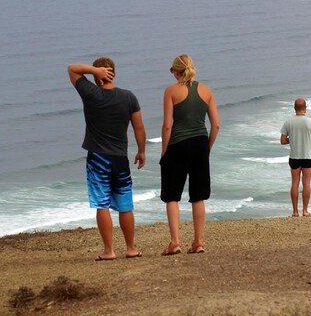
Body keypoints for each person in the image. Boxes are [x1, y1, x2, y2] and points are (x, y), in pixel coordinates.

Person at [68, 57, 146, 261]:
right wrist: (141, 151)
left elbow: (72, 69)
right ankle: (130, 248)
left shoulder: (91, 93)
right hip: (120, 157)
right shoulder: (128, 97)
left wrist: (94, 70)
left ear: (96, 75)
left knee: (102, 204)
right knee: (125, 203)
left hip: (97, 157)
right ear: (115, 73)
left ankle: (109, 251)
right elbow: (138, 127)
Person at [160, 54, 220, 255]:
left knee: (171, 196)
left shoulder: (171, 91)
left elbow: (168, 125)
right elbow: (216, 125)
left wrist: (164, 151)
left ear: (176, 71)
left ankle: (175, 242)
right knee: (198, 195)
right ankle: (198, 242)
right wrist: (207, 147)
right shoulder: (206, 90)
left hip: (178, 144)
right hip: (201, 143)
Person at [280, 98, 311, 217]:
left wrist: (293, 138)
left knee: (295, 183)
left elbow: (283, 140)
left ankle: (295, 212)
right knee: (306, 183)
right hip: (308, 156)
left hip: (294, 156)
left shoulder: (288, 122)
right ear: (305, 108)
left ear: (294, 108)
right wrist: (310, 139)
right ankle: (305, 211)